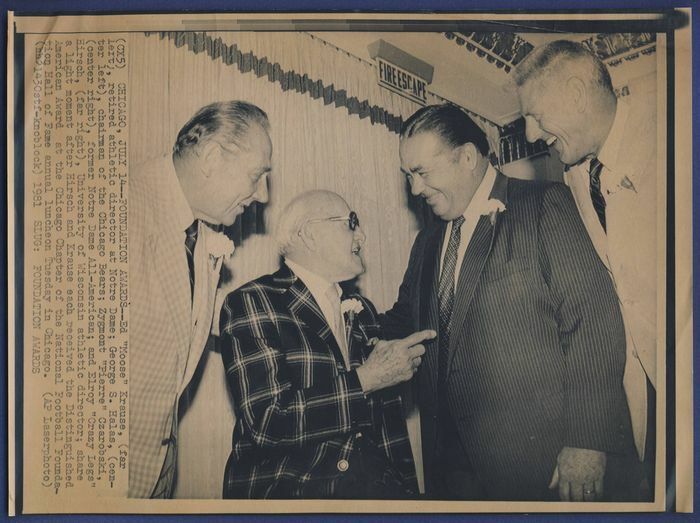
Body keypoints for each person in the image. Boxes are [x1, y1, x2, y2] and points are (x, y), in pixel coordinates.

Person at [381, 103, 635, 501]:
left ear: (466, 157)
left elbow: (594, 320)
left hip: (542, 466)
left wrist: (587, 441)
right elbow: (403, 323)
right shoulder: (427, 242)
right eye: (408, 176)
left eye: (422, 173)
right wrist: (334, 314)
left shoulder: (543, 204)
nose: (415, 189)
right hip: (451, 471)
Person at [219, 190, 435, 499]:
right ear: (310, 234)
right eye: (350, 222)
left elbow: (388, 429)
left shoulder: (362, 309)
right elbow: (269, 422)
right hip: (294, 497)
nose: (362, 235)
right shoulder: (252, 302)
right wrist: (367, 380)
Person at [513, 40, 656, 499]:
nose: (532, 135)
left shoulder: (676, 137)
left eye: (535, 115)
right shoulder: (576, 173)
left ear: (575, 92)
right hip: (649, 396)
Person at [129, 101, 272, 498]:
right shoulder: (119, 207)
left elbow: (204, 318)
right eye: (257, 176)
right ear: (211, 156)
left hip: (156, 474)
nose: (262, 195)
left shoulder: (198, 232)